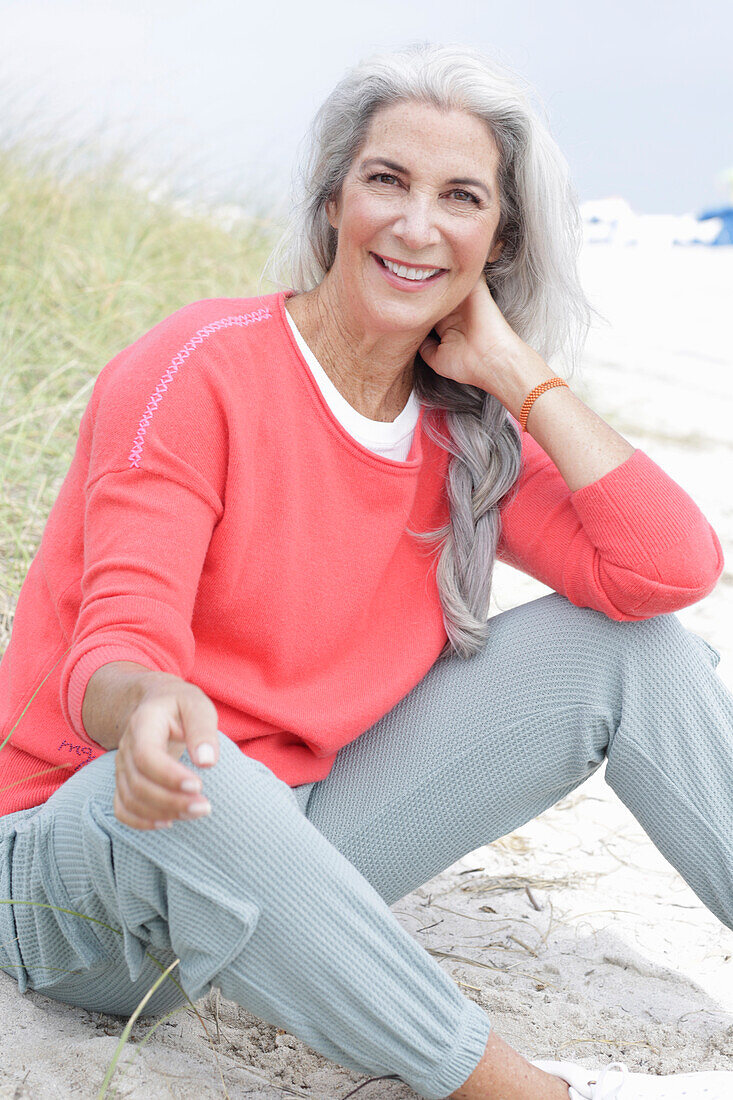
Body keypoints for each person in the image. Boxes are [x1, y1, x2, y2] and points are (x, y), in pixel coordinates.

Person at [0, 40, 731, 1100]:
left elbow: (667, 568)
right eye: (386, 179)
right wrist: (150, 702)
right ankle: (518, 1092)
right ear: (335, 198)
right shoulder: (197, 368)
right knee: (205, 758)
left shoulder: (462, 427)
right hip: (80, 861)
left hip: (290, 836)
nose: (416, 223)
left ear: (498, 236)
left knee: (626, 649)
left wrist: (516, 372)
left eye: (461, 197)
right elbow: (116, 636)